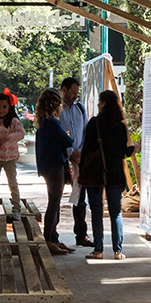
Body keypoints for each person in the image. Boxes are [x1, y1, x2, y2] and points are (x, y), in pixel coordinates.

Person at [79, 89, 136, 260]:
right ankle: (118, 251)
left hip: (96, 173)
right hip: (115, 174)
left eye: (99, 101)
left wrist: (81, 173)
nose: (98, 104)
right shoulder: (120, 126)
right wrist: (134, 149)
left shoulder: (94, 123)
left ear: (103, 103)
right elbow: (123, 152)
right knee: (115, 212)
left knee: (96, 211)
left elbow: (86, 150)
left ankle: (98, 250)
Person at [33, 89, 76, 253]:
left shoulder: (43, 122)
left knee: (55, 203)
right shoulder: (52, 122)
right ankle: (49, 240)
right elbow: (67, 141)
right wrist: (68, 135)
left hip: (47, 166)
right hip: (54, 166)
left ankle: (54, 238)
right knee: (54, 203)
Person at [58, 77, 94, 247]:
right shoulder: (57, 109)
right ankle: (53, 235)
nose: (74, 96)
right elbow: (57, 134)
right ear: (64, 90)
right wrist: (71, 152)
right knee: (55, 197)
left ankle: (81, 234)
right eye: (72, 93)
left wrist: (80, 152)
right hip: (63, 159)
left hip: (80, 160)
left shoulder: (80, 108)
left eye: (76, 93)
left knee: (80, 197)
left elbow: (87, 130)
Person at [0, 89, 24, 219]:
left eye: (4, 107)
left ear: (10, 107)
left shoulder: (13, 121)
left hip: (10, 157)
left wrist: (9, 137)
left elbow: (21, 133)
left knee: (12, 183)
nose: (1, 110)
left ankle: (17, 208)